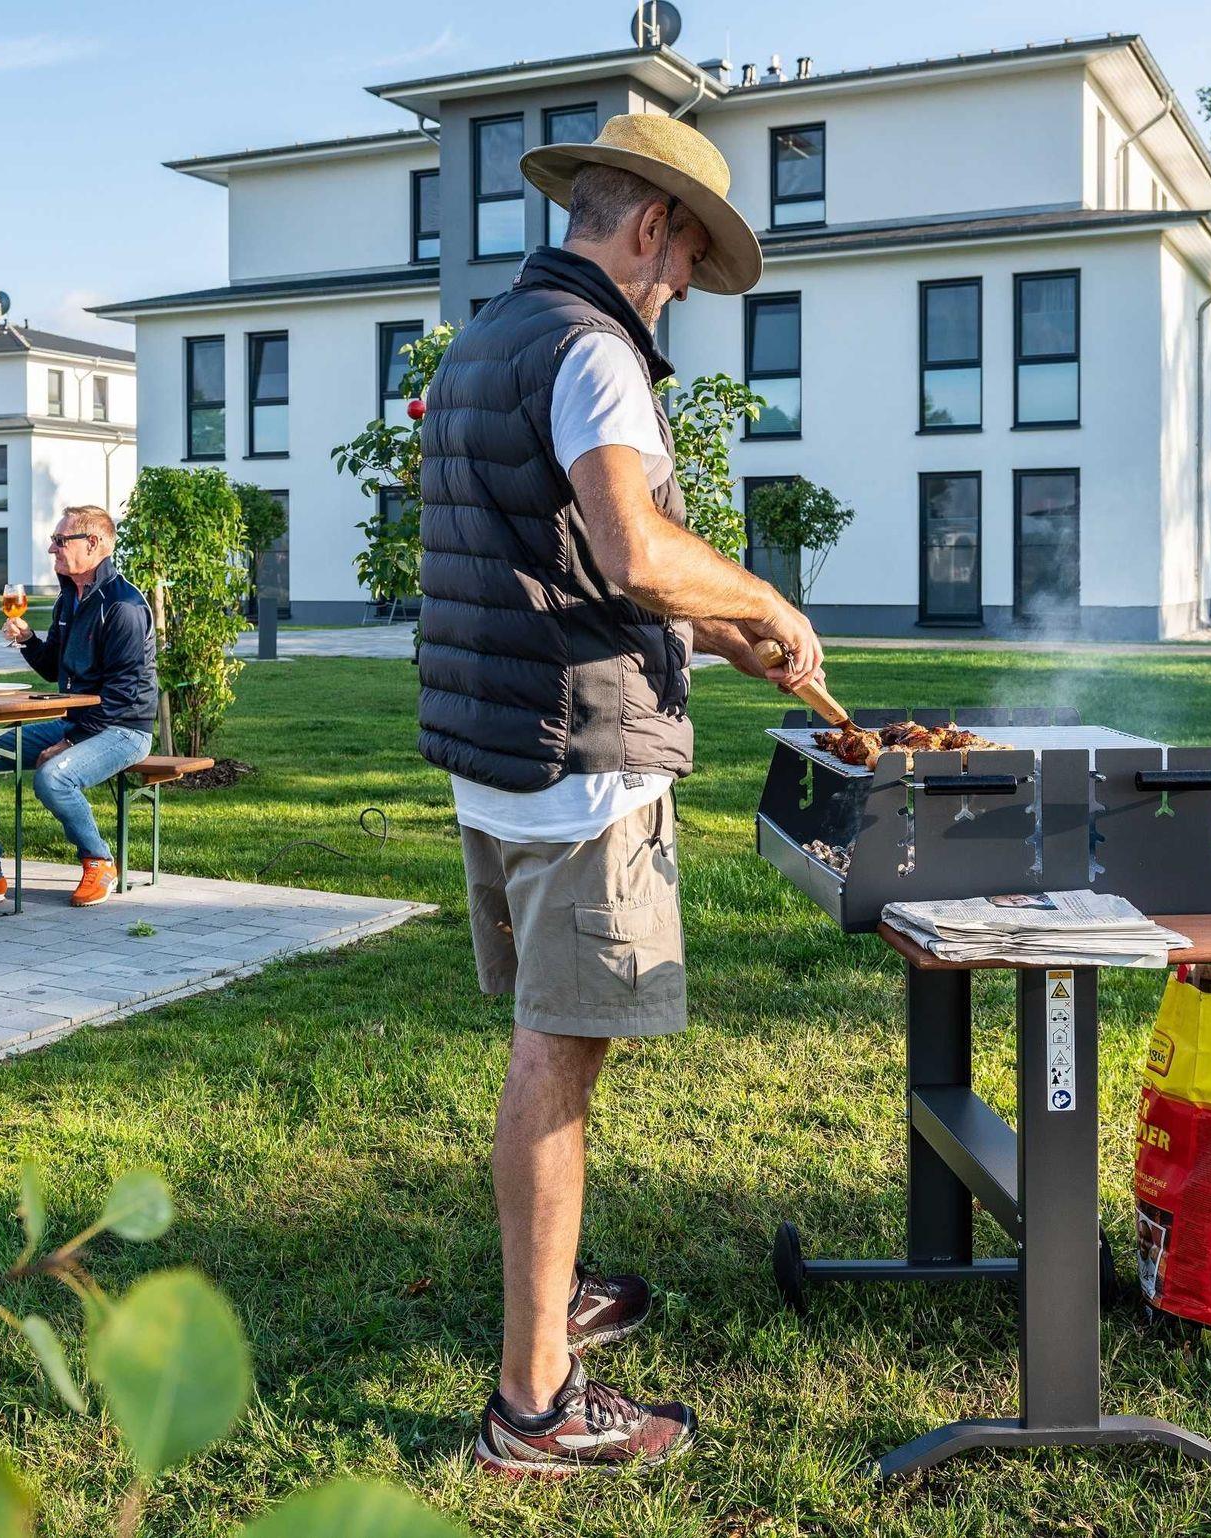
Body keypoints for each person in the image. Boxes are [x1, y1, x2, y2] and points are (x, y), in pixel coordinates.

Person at [416, 115, 825, 1476]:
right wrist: (764, 598)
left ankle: (555, 1291)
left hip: (498, 750)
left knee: (551, 1043)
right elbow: (636, 549)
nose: (684, 290)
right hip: (578, 765)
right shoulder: (594, 348)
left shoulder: (491, 336)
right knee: (559, 1057)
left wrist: (725, 638)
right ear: (651, 225)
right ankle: (532, 1402)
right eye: (689, 261)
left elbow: (565, 557)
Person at [0, 505, 155, 908]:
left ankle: (99, 861)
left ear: (92, 543)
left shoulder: (123, 607)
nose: (51, 549)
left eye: (60, 540)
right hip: (77, 721)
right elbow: (52, 668)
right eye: (53, 540)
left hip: (124, 729)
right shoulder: (69, 599)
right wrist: (28, 639)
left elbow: (123, 695)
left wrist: (69, 742)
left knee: (53, 777)